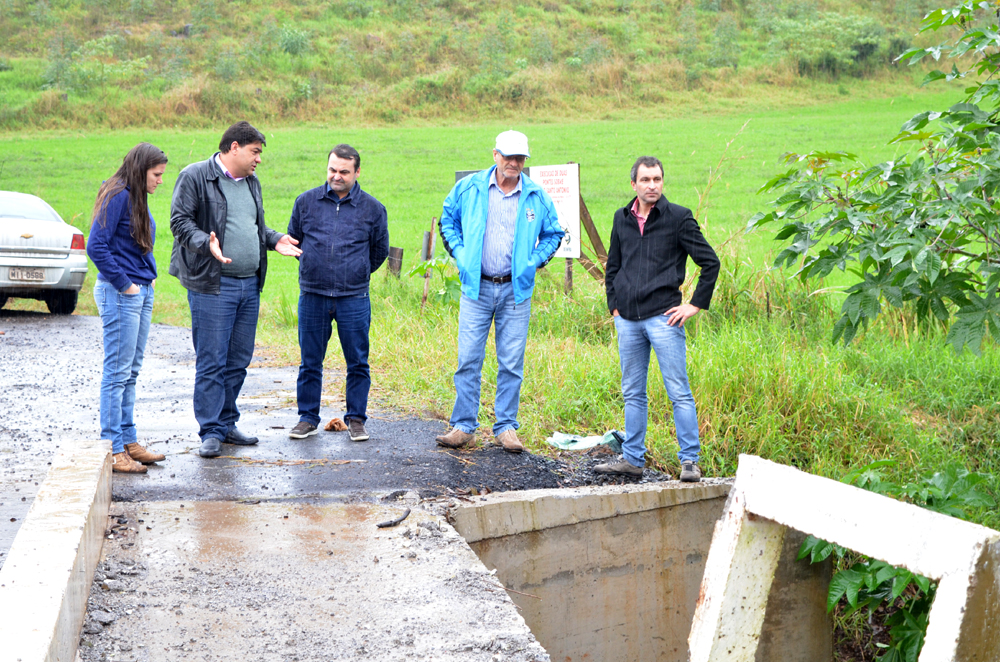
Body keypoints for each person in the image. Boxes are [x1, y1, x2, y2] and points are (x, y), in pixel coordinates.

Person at [169, 121, 302, 459]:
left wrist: (274, 240)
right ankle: (210, 430)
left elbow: (252, 225)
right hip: (213, 284)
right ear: (233, 148)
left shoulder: (251, 183)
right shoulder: (196, 176)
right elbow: (180, 222)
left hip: (249, 285)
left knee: (238, 359)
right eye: (255, 152)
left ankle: (227, 423)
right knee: (212, 359)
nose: (258, 159)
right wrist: (205, 242)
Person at [434, 130, 564, 453]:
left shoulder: (535, 196)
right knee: (468, 359)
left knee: (511, 362)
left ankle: (506, 427)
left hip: (515, 292)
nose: (514, 163)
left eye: (520, 158)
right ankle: (464, 426)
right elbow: (447, 218)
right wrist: (461, 255)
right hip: (476, 289)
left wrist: (532, 263)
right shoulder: (470, 188)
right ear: (495, 155)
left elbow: (554, 234)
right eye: (508, 157)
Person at [598, 156, 720, 482]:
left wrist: (694, 305)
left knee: (678, 391)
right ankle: (633, 459)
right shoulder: (621, 218)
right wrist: (614, 306)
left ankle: (689, 462)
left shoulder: (678, 218)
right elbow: (613, 267)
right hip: (628, 320)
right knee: (633, 392)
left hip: (664, 320)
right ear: (634, 184)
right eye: (646, 180)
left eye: (657, 179)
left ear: (662, 182)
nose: (652, 186)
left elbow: (710, 263)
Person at [286, 144, 389, 442]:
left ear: (357, 172)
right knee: (310, 360)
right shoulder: (305, 202)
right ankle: (307, 418)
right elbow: (294, 242)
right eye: (332, 170)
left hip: (353, 297)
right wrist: (314, 267)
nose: (337, 176)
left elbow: (379, 251)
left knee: (357, 360)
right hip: (313, 295)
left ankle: (356, 419)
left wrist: (354, 271)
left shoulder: (373, 209)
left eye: (344, 171)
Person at [87, 143, 170, 474]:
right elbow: (97, 245)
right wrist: (127, 284)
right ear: (141, 170)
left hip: (139, 291)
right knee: (117, 372)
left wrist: (147, 279)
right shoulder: (118, 194)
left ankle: (129, 440)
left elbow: (137, 242)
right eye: (157, 174)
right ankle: (113, 448)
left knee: (130, 371)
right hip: (121, 293)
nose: (161, 180)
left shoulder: (135, 196)